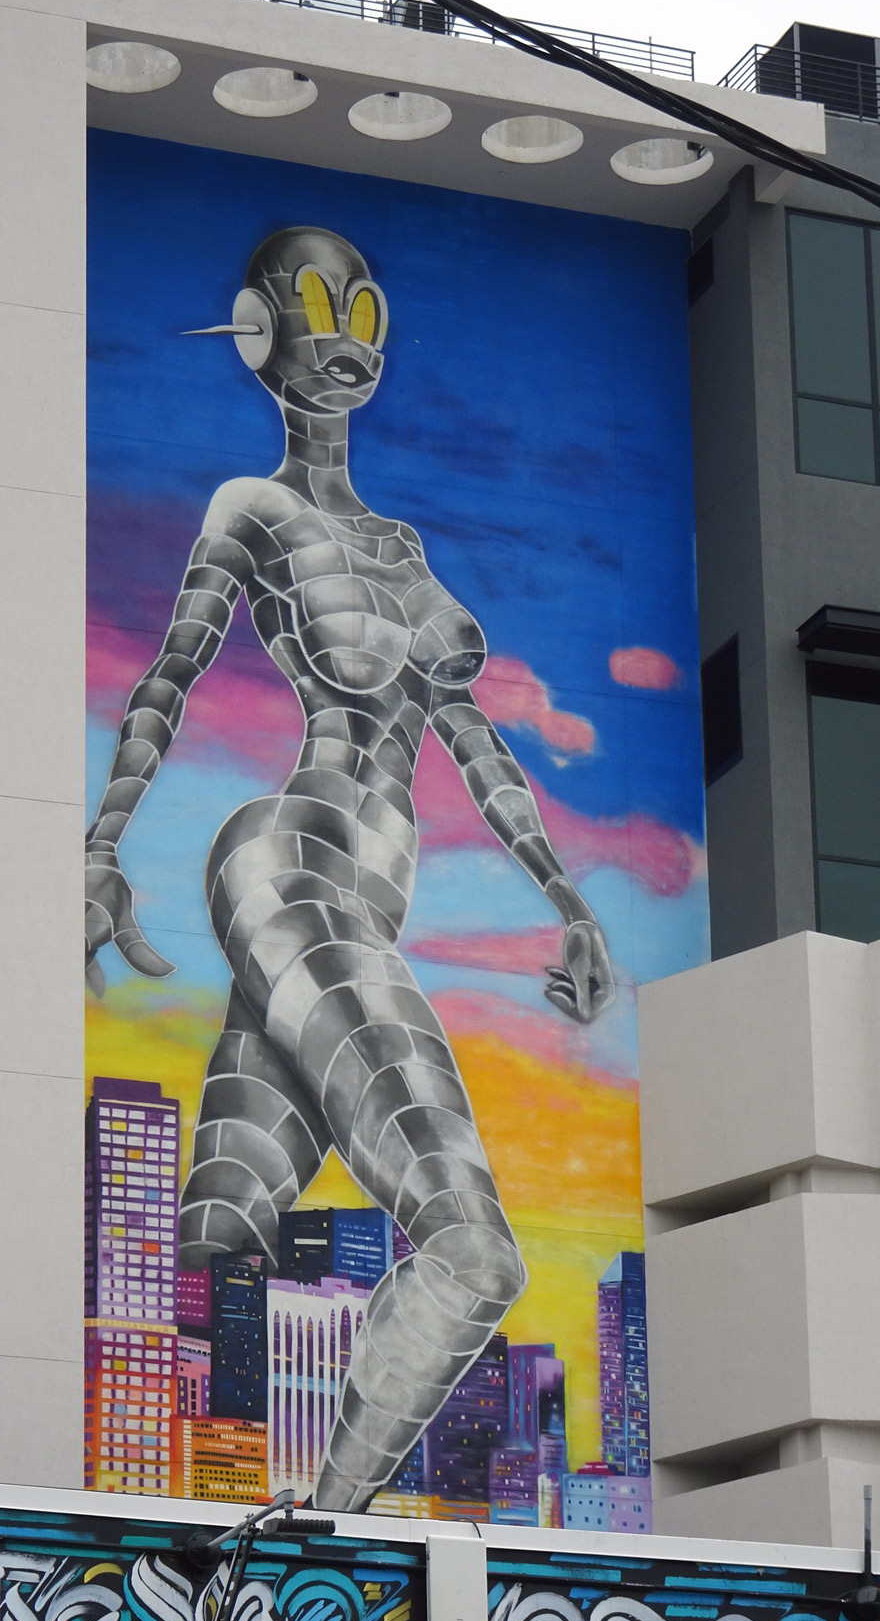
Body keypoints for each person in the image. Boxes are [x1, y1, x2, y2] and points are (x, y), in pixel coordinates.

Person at [85, 225, 614, 1512]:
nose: (348, 341)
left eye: (364, 312)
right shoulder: (251, 508)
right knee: (475, 1253)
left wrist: (567, 900)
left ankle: (204, 1567)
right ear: (259, 330)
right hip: (289, 865)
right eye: (320, 309)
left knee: (212, 1253)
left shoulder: (407, 548)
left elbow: (473, 742)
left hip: (359, 911)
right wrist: (100, 846)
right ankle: (327, 1538)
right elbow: (168, 677)